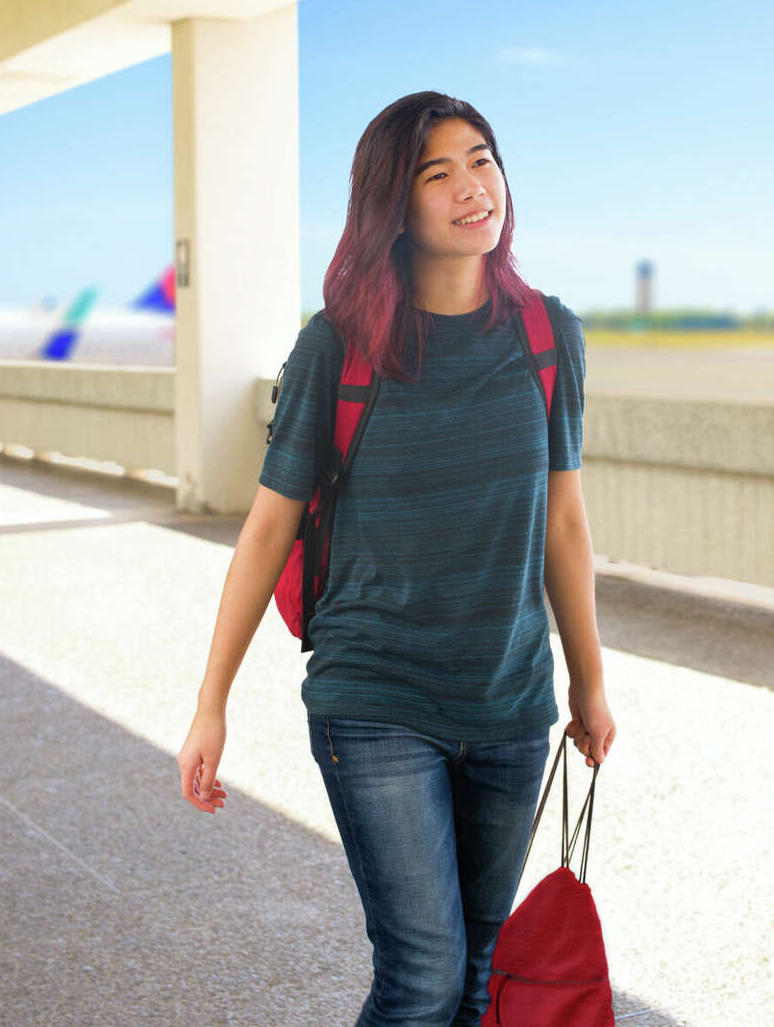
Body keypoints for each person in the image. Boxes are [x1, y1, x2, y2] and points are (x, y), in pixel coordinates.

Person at [175, 90, 616, 1026]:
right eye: (438, 171)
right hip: (374, 696)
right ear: (394, 203)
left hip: (507, 702)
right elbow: (266, 529)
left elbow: (565, 523)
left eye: (483, 160)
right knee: (420, 974)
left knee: (477, 976)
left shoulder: (548, 337)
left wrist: (588, 682)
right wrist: (209, 705)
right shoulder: (339, 345)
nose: (472, 187)